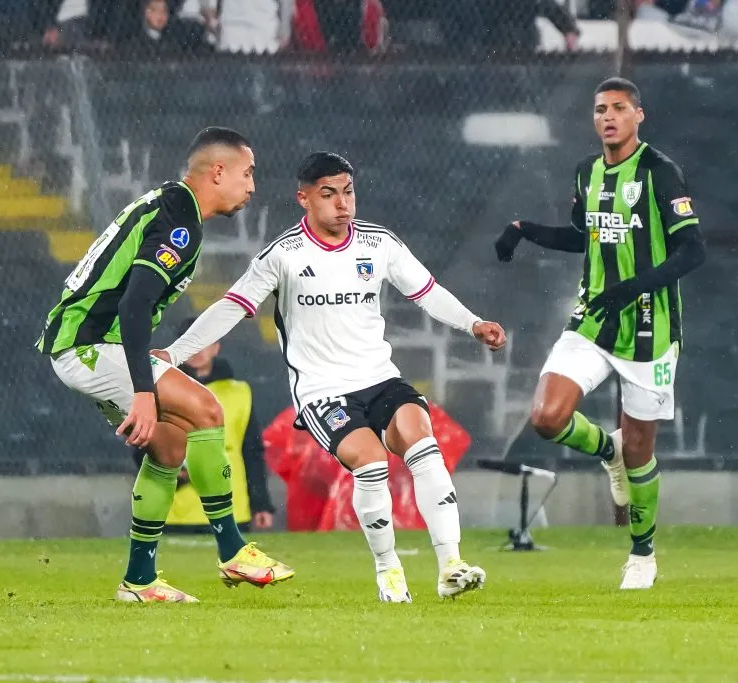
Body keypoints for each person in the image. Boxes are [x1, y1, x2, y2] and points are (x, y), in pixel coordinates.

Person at [157, 151, 507, 603]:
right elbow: (231, 308)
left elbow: (427, 291)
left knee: (424, 443)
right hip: (324, 392)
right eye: (328, 194)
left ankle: (450, 566)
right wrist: (175, 352)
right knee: (372, 463)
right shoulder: (282, 256)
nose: (342, 204)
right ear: (303, 198)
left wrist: (473, 323)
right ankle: (388, 569)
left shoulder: (378, 243)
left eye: (348, 192)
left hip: (380, 377)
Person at [36, 127, 293, 604]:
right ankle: (233, 551)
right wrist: (142, 390)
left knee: (170, 450)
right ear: (218, 171)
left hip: (80, 346)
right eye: (247, 173)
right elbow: (134, 307)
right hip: (91, 343)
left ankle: (138, 581)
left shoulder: (170, 205)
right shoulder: (180, 218)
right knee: (208, 409)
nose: (253, 185)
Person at [494, 77, 706, 590]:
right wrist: (524, 230)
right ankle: (605, 451)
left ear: (639, 115)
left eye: (617, 108)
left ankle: (642, 554)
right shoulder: (587, 172)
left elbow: (692, 250)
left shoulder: (660, 172)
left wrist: (632, 287)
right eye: (599, 109)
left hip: (651, 330)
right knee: (546, 417)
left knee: (641, 450)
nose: (607, 117)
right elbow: (584, 236)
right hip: (593, 318)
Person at [133, 316, 276, 533]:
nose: (197, 349)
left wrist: (260, 503)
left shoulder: (240, 391)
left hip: (231, 506)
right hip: (175, 511)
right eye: (189, 341)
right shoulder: (159, 389)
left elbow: (252, 452)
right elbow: (142, 441)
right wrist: (172, 470)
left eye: (204, 341)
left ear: (216, 347)